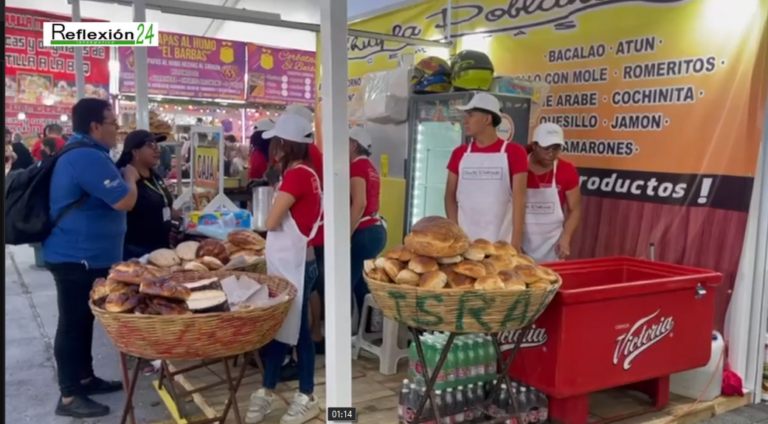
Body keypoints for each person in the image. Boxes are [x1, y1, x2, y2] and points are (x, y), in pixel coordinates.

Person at [43, 98, 136, 418]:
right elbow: (124, 201)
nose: (116, 130)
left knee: (84, 321)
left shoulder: (89, 153)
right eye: (113, 123)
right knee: (72, 325)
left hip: (87, 257)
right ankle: (69, 396)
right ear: (95, 126)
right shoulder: (85, 156)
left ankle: (85, 378)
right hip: (75, 257)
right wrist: (130, 177)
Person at [246, 114, 321, 424]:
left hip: (296, 266)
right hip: (291, 264)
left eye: (275, 142)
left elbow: (271, 221)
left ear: (285, 145)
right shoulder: (303, 173)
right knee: (281, 329)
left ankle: (307, 395)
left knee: (299, 334)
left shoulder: (297, 176)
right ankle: (267, 390)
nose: (271, 148)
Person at [310, 127, 387, 343]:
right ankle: (368, 333)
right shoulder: (370, 167)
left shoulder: (357, 167)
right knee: (362, 285)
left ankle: (340, 339)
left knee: (344, 284)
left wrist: (345, 235)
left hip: (363, 232)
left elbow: (359, 203)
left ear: (353, 145)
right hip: (376, 230)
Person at [444, 93, 528, 250]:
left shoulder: (515, 152)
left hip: (501, 244)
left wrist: (515, 244)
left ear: (487, 119)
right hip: (466, 244)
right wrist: (456, 233)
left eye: (471, 115)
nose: (465, 120)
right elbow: (449, 195)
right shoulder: (459, 153)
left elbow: (519, 200)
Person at [115, 130, 179, 259]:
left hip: (161, 249)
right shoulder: (124, 178)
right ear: (135, 151)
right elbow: (127, 205)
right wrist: (130, 179)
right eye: (151, 145)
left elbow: (161, 203)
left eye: (157, 145)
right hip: (136, 254)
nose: (157, 150)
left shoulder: (155, 176)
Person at [524, 123, 581, 261]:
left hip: (552, 243)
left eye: (555, 148)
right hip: (521, 240)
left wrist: (566, 237)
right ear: (535, 145)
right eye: (546, 148)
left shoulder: (567, 170)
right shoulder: (519, 166)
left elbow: (575, 210)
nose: (551, 153)